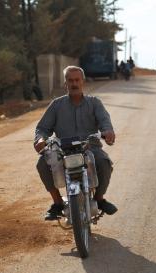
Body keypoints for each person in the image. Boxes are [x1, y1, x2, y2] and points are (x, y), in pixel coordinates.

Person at [34, 66, 118, 221]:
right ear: (65, 83)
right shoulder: (56, 105)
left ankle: (99, 199)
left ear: (83, 82)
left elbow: (105, 122)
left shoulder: (94, 103)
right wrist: (40, 139)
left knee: (104, 162)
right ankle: (57, 203)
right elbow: (42, 128)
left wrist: (108, 132)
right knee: (42, 162)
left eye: (77, 80)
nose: (74, 84)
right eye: (70, 80)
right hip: (62, 149)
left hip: (89, 147)